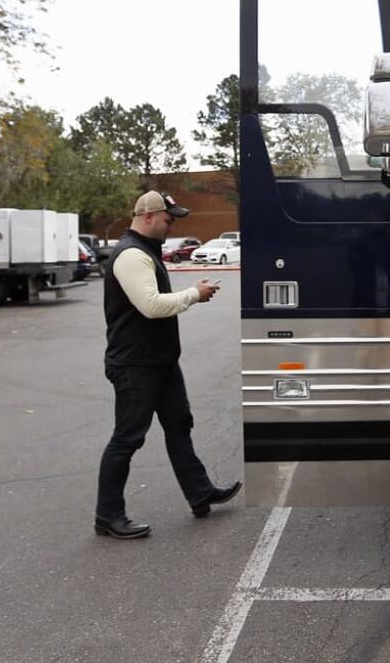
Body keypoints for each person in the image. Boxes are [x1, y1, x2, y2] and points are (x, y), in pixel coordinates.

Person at [94, 190, 241, 540]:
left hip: (159, 363)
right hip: (135, 366)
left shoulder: (145, 251)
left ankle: (200, 492)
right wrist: (194, 294)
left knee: (179, 426)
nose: (171, 224)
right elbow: (151, 305)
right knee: (127, 438)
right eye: (168, 218)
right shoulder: (131, 255)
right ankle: (107, 516)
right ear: (148, 216)